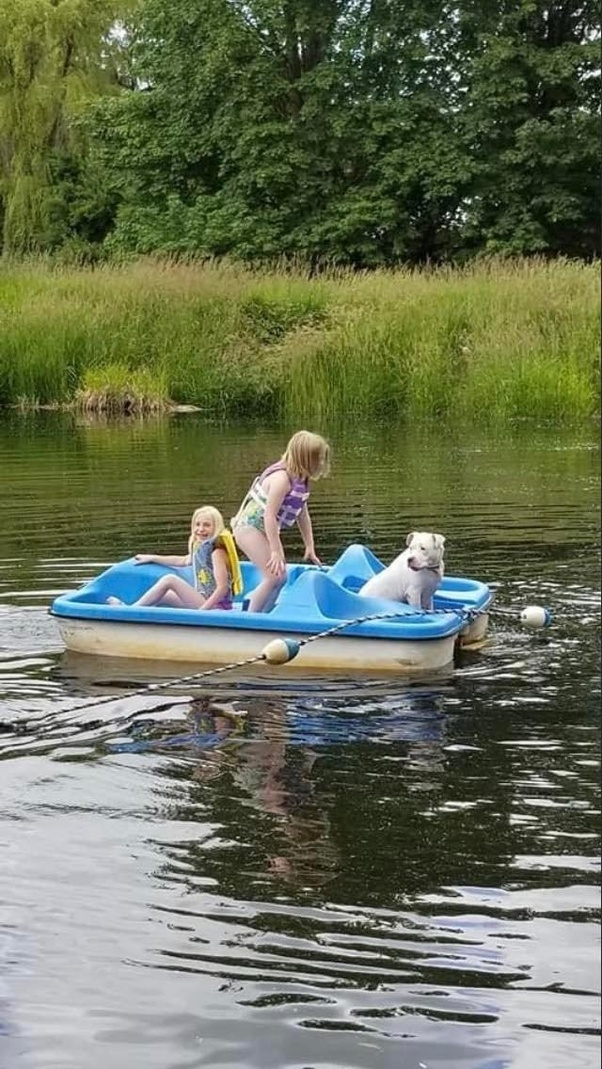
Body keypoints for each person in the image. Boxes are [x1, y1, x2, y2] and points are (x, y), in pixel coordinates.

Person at [231, 430, 330, 613]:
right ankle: (250, 619)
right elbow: (269, 515)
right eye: (319, 459)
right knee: (274, 577)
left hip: (263, 530)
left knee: (280, 578)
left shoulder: (301, 479)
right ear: (306, 459)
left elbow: (302, 513)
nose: (322, 463)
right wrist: (276, 551)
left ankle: (265, 616)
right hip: (248, 529)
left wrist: (309, 545)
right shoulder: (281, 480)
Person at [107, 505, 242, 610]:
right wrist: (152, 558)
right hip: (203, 599)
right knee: (164, 596)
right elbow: (183, 560)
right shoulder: (201, 548)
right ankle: (139, 620)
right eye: (197, 524)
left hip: (216, 607)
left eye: (206, 525)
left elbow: (222, 588)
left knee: (169, 580)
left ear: (216, 528)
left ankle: (131, 610)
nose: (200, 529)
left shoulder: (217, 552)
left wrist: (203, 611)